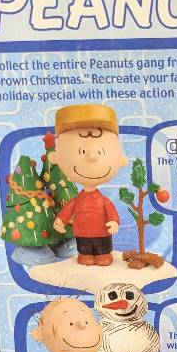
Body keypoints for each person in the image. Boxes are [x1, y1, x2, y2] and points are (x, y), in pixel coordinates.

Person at [51, 103, 129, 266]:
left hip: (102, 233)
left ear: (120, 159)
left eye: (101, 151)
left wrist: (114, 222)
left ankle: (102, 254)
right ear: (56, 158)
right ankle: (85, 255)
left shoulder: (104, 201)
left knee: (103, 251)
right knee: (84, 250)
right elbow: (69, 209)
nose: (92, 156)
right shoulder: (77, 201)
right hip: (83, 233)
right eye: (81, 151)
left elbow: (111, 211)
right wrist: (60, 221)